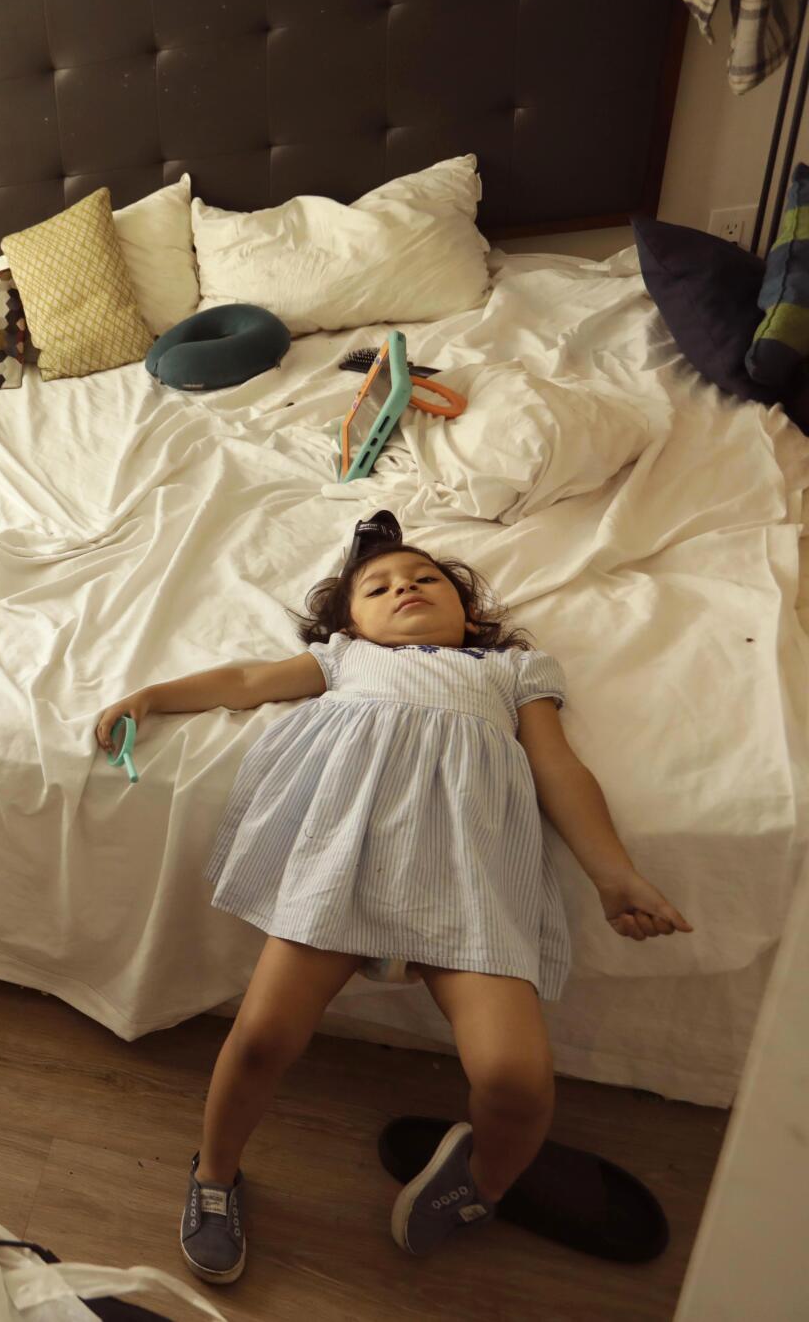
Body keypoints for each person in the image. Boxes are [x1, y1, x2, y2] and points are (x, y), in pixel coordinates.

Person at [94, 517, 691, 1285]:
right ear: (351, 623)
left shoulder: (510, 671)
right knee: (261, 1038)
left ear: (468, 616)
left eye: (424, 580)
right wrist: (152, 695)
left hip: (468, 883)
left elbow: (560, 769)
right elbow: (244, 682)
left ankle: (483, 1183)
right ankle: (214, 1174)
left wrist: (615, 874)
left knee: (515, 1076)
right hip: (347, 866)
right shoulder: (347, 660)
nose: (403, 587)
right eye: (377, 586)